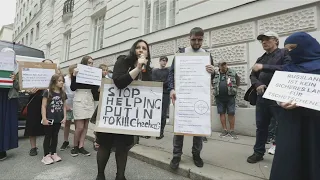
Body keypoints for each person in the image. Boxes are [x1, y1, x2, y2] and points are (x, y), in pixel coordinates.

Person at [95, 39, 152, 180]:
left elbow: (148, 93)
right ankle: (100, 175)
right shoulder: (123, 61)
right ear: (133, 50)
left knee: (122, 147)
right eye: (138, 47)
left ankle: (120, 176)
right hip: (113, 112)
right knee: (105, 144)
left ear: (147, 53)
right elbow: (119, 82)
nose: (141, 50)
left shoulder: (148, 69)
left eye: (144, 48)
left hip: (129, 115)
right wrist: (137, 69)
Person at [269, 32, 320, 180]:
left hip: (315, 122)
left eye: (293, 48)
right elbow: (278, 92)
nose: (290, 52)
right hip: (291, 122)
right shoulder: (287, 69)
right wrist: (281, 102)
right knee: (289, 160)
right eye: (287, 49)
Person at [168, 27, 215, 169]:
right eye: (194, 39)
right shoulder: (181, 53)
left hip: (199, 97)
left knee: (199, 127)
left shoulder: (207, 55)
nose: (196, 42)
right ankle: (176, 155)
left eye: (199, 40)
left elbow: (210, 77)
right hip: (182, 97)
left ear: (203, 39)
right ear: (189, 38)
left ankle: (196, 154)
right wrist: (171, 89)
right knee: (180, 126)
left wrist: (213, 72)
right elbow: (171, 73)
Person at [247, 31, 291, 163]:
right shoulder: (261, 58)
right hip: (262, 97)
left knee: (283, 126)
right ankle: (258, 152)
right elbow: (252, 75)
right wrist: (257, 83)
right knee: (261, 127)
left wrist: (264, 67)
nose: (264, 42)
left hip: (279, 97)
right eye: (262, 40)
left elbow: (288, 68)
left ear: (276, 40)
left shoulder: (284, 53)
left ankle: (284, 155)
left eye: (267, 39)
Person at [24, 59, 54, 156]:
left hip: (49, 101)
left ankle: (49, 145)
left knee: (49, 124)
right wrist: (29, 90)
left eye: (50, 65)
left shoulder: (54, 76)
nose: (47, 66)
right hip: (35, 100)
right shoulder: (34, 74)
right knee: (32, 124)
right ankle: (33, 147)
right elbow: (26, 88)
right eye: (45, 64)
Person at [70, 56, 99, 157]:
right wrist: (74, 76)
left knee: (86, 125)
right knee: (79, 127)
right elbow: (72, 88)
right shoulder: (78, 72)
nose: (91, 65)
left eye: (92, 63)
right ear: (84, 63)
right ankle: (75, 146)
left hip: (89, 98)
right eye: (89, 63)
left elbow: (95, 89)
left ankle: (81, 146)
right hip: (79, 98)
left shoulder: (93, 74)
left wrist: (98, 82)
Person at [41, 74, 67, 165]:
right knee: (48, 136)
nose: (62, 82)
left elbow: (64, 106)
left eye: (62, 81)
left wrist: (64, 117)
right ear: (54, 82)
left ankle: (53, 153)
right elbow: (43, 106)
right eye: (59, 81)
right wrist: (44, 118)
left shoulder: (63, 93)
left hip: (58, 119)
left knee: (55, 136)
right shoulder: (48, 92)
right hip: (49, 119)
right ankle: (46, 155)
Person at [213, 60, 240, 139]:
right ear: (219, 66)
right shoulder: (215, 74)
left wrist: (234, 89)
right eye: (222, 65)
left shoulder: (233, 72)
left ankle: (231, 131)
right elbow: (212, 82)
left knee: (231, 113)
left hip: (230, 97)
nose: (224, 66)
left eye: (225, 64)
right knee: (222, 113)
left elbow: (238, 81)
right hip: (219, 97)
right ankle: (224, 130)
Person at [0, 48, 19, 160]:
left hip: (9, 99)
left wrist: (15, 80)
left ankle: (3, 149)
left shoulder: (17, 69)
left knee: (6, 124)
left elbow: (20, 87)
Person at [152, 56, 170, 140]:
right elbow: (153, 81)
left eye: (165, 61)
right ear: (159, 61)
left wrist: (160, 83)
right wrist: (162, 83)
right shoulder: (155, 71)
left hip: (165, 94)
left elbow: (168, 82)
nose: (164, 62)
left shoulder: (168, 71)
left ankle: (160, 132)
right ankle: (153, 130)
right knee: (155, 113)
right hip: (156, 94)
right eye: (163, 60)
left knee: (163, 114)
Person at [60, 64, 77, 151]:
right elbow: (62, 92)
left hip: (77, 104)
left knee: (78, 124)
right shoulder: (65, 79)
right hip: (68, 103)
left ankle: (76, 143)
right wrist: (65, 104)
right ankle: (65, 141)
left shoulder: (78, 79)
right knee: (67, 123)